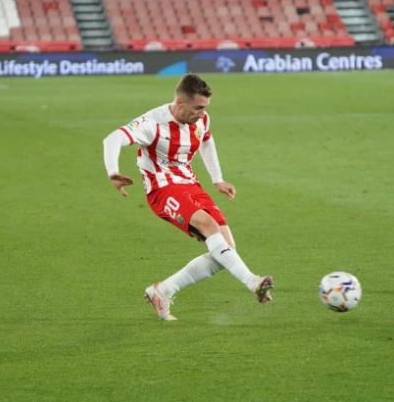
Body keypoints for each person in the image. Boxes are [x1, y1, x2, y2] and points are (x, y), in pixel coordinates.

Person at [102, 74, 274, 321]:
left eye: (205, 108)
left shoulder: (201, 118)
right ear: (180, 103)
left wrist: (217, 179)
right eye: (197, 108)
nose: (202, 114)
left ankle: (162, 291)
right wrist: (113, 172)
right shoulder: (153, 123)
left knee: (226, 251)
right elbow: (113, 138)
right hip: (162, 189)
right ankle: (253, 282)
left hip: (191, 185)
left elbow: (206, 141)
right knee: (210, 227)